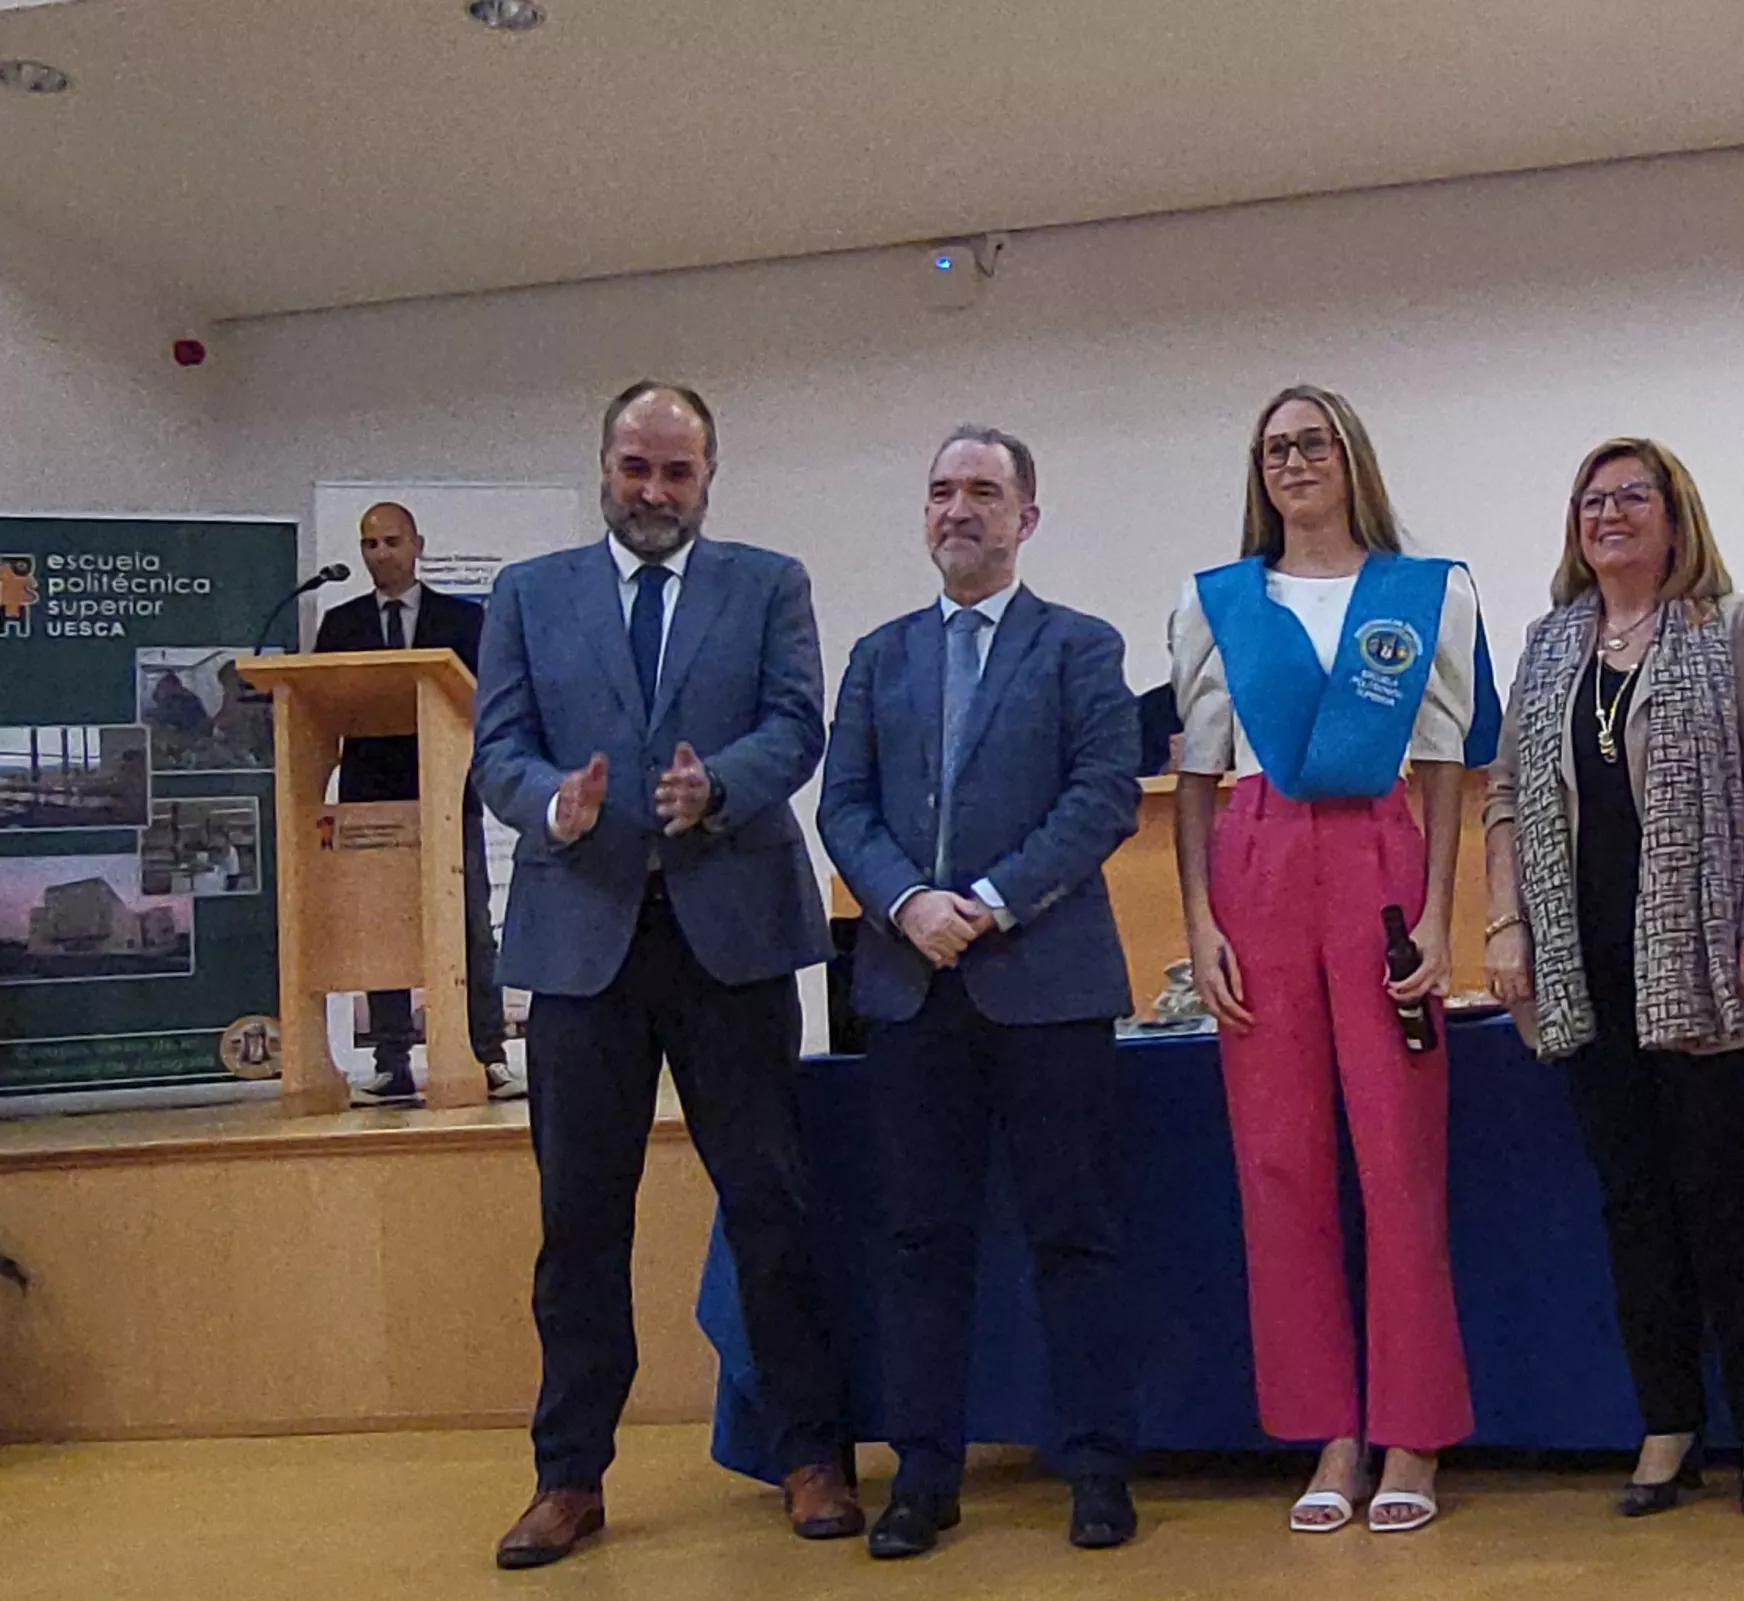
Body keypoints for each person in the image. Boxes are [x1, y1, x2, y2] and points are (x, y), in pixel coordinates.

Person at [473, 381, 859, 1568]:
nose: (654, 491)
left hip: (729, 936)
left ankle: (811, 1451)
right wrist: (551, 802)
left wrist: (719, 784)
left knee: (771, 1203)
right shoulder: (529, 592)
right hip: (582, 942)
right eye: (635, 467)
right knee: (579, 1221)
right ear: (604, 465)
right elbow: (499, 746)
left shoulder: (768, 582)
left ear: (709, 478)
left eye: (676, 472)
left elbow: (797, 723)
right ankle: (568, 1475)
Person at [1168, 384, 1498, 1535]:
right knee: (1279, 1158)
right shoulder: (1217, 599)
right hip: (1256, 858)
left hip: (1379, 853)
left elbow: (1448, 763)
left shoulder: (1426, 591)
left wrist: (1442, 912)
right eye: (1275, 448)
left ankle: (1414, 1428)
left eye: (1313, 442)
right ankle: (1331, 1429)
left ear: (1351, 455)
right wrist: (1200, 919)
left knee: (1398, 1153)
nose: (1295, 462)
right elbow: (1197, 775)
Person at [1479, 439, 1744, 1521]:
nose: (1610, 512)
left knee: (1728, 1205)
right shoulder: (1548, 643)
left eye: (1634, 494)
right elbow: (1505, 795)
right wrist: (1506, 923)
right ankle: (1668, 1423)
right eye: (1592, 498)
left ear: (1677, 516)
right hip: (1585, 968)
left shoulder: (1731, 626)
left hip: (1716, 965)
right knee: (1634, 1208)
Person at [819, 426, 1146, 1560]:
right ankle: (923, 1477)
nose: (958, 508)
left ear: (1026, 518)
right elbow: (843, 805)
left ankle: (1097, 1468)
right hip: (911, 988)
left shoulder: (1081, 646)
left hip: (1047, 985)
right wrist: (909, 901)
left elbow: (1103, 794)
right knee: (920, 1241)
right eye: (941, 491)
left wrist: (993, 901)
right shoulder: (879, 655)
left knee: (1075, 1234)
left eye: (983, 491)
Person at [312, 501, 513, 1105]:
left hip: (448, 791)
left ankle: (487, 1055)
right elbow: (321, 705)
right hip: (372, 796)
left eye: (392, 542)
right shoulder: (341, 626)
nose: (381, 555)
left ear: (418, 545)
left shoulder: (463, 621)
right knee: (382, 924)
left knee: (470, 925)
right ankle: (391, 1060)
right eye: (369, 544)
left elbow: (487, 704)